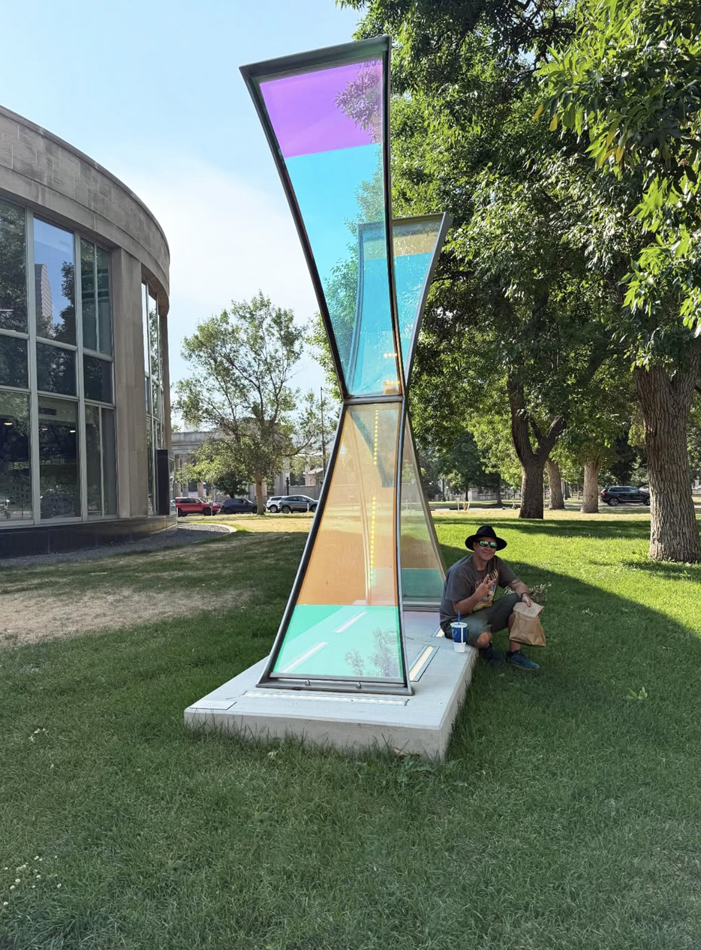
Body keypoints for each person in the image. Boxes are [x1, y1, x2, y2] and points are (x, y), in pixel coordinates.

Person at [439, 524, 540, 670]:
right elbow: (458, 609)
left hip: (482, 612)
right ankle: (486, 647)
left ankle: (514, 654)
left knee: (520, 601)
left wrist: (525, 596)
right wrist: (478, 595)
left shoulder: (495, 563)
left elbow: (518, 585)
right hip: (456, 621)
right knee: (483, 638)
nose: (489, 548)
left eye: (493, 545)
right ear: (474, 545)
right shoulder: (460, 571)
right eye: (484, 543)